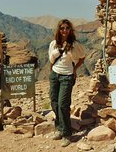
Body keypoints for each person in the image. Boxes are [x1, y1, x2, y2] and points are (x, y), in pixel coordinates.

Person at [48, 19, 85, 147]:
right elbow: (51, 59)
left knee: (63, 104)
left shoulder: (74, 44)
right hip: (54, 75)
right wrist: (51, 73)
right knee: (54, 103)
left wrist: (74, 69)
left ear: (70, 30)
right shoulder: (54, 44)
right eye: (62, 28)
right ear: (59, 29)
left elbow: (82, 57)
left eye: (67, 28)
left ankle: (67, 134)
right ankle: (59, 128)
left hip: (67, 77)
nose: (64, 30)